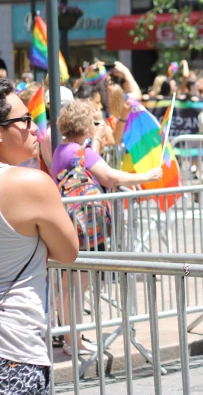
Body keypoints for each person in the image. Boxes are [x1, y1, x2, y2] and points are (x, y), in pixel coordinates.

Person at [53, 100, 163, 354]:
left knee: (70, 286)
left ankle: (72, 337)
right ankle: (74, 341)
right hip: (83, 228)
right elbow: (111, 177)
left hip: (69, 223)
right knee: (77, 287)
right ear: (85, 126)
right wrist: (147, 176)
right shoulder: (83, 153)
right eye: (93, 122)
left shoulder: (62, 150)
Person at [0, 78, 79, 394]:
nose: (34, 128)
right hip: (14, 351)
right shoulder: (31, 185)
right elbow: (68, 251)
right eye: (25, 120)